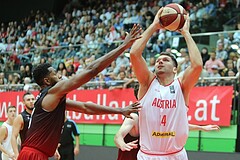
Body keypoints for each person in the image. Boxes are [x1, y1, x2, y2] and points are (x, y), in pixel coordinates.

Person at [17, 24, 142, 160]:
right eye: (55, 74)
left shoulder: (51, 100)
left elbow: (85, 107)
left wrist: (120, 110)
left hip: (35, 154)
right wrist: (123, 46)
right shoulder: (52, 93)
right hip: (33, 155)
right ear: (47, 81)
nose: (59, 76)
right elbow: (91, 70)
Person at [129, 7, 203, 159]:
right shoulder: (147, 82)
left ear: (175, 69)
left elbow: (197, 65)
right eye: (157, 60)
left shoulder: (181, 85)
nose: (160, 61)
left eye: (165, 60)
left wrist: (186, 33)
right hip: (148, 155)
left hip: (175, 155)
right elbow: (134, 54)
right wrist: (154, 26)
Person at [114, 84, 220, 160]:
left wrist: (202, 128)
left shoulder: (155, 114)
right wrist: (122, 145)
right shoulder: (134, 116)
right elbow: (118, 136)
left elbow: (177, 126)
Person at [11, 92, 35, 158]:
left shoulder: (39, 115)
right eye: (28, 100)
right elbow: (13, 136)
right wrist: (16, 154)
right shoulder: (20, 117)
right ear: (23, 102)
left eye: (33, 99)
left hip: (39, 151)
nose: (31, 101)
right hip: (27, 151)